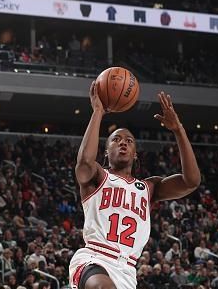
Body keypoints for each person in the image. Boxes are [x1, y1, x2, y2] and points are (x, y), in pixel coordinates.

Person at [69, 82, 201, 289]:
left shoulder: (149, 188)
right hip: (95, 257)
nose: (123, 143)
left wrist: (178, 130)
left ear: (135, 154)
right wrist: (97, 112)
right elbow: (84, 164)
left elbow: (191, 181)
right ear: (105, 151)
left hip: (127, 269)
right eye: (116, 139)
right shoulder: (97, 177)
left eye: (129, 141)